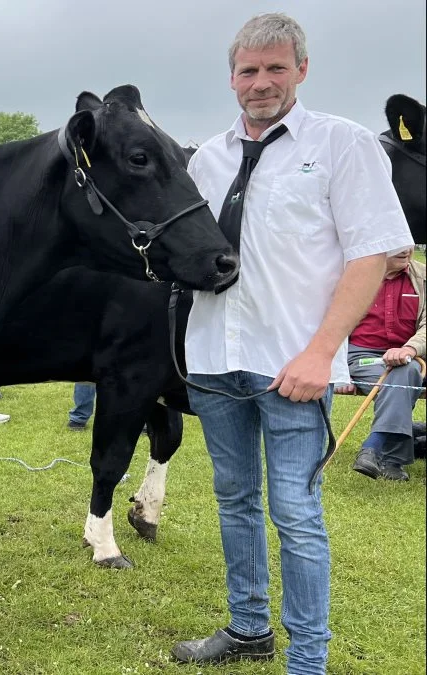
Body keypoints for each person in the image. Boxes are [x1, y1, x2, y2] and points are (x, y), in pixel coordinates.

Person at [174, 13, 415, 674]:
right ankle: (248, 626)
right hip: (214, 361)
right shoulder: (206, 158)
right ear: (231, 78)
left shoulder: (341, 145)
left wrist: (321, 352)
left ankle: (307, 659)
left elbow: (372, 254)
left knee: (296, 511)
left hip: (293, 366)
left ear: (301, 70)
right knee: (235, 499)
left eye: (276, 68)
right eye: (249, 70)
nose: (261, 83)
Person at [347, 247, 424, 481]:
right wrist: (337, 371)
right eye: (397, 241)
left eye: (409, 241)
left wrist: (409, 348)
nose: (406, 249)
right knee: (404, 373)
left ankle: (374, 448)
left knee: (406, 368)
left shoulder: (422, 277)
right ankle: (396, 453)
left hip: (413, 355)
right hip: (365, 357)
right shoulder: (349, 276)